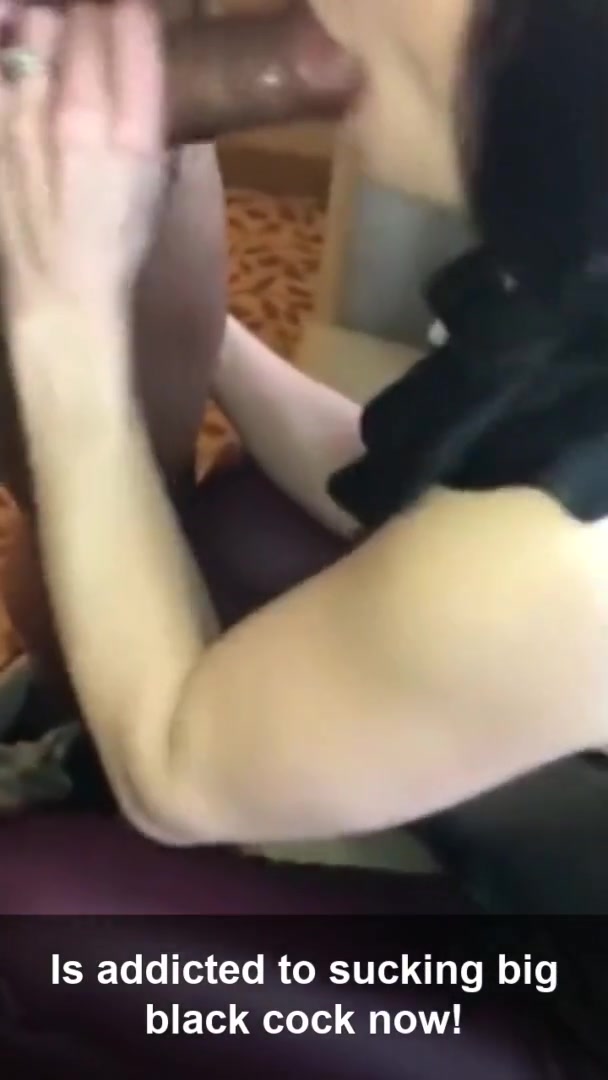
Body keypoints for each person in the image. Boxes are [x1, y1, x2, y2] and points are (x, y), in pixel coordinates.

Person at [0, 1, 607, 1076]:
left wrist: (62, 317)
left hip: (577, 991)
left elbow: (174, 777)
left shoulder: (573, 554)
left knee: (30, 914)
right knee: (244, 524)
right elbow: (417, 483)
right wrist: (158, 292)